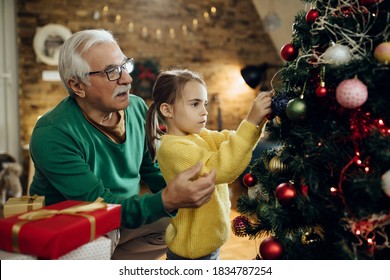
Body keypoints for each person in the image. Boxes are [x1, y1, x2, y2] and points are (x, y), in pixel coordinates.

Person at [28, 29, 216, 260]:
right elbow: (98, 205)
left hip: (122, 220)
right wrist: (167, 200)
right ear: (77, 85)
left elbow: (152, 168)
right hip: (73, 231)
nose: (127, 79)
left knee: (184, 225)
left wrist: (190, 195)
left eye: (124, 66)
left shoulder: (136, 108)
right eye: (111, 72)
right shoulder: (52, 133)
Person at [145, 69, 272, 260]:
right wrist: (250, 121)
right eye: (195, 104)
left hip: (210, 244)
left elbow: (233, 140)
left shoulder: (199, 135)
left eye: (204, 104)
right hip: (191, 253)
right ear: (167, 110)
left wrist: (257, 122)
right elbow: (222, 168)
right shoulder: (174, 149)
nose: (204, 111)